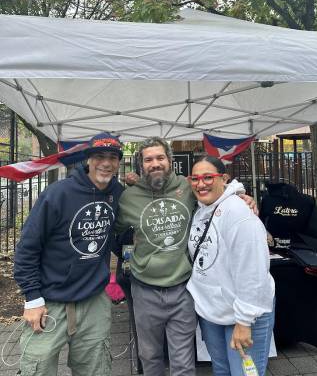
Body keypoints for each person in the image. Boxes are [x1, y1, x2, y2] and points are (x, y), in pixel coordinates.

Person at [113, 137, 257, 376]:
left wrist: (241, 196)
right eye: (148, 159)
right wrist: (129, 249)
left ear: (170, 161)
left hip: (183, 289)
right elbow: (113, 233)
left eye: (160, 158)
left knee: (182, 359)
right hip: (144, 289)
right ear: (141, 165)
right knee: (149, 356)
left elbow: (215, 192)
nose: (155, 163)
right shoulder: (129, 198)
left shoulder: (186, 187)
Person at [14, 132, 124, 376]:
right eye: (99, 156)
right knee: (36, 367)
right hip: (50, 300)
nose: (106, 163)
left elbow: (119, 235)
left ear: (118, 162)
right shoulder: (58, 194)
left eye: (113, 157)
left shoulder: (118, 193)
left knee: (96, 368)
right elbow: (27, 248)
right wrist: (32, 298)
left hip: (93, 299)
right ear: (88, 160)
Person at [186, 156, 275, 376]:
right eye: (195, 178)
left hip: (243, 314)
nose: (201, 183)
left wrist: (244, 320)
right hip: (212, 312)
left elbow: (253, 270)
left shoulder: (238, 212)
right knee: (222, 370)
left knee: (244, 374)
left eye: (208, 177)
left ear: (224, 178)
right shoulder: (200, 210)